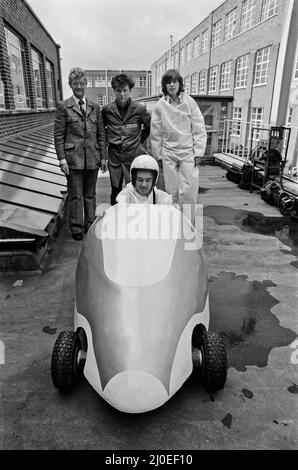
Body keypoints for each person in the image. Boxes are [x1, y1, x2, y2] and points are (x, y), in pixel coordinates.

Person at [54, 67, 107, 240]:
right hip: (73, 159)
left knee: (90, 194)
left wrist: (104, 157)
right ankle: (76, 228)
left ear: (86, 84)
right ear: (70, 85)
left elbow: (101, 133)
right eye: (75, 83)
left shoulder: (95, 107)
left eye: (81, 83)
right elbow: (59, 135)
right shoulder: (63, 106)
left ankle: (90, 224)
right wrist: (62, 159)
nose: (79, 86)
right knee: (76, 195)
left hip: (92, 157)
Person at [150, 69, 207, 205]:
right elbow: (155, 133)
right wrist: (157, 156)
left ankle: (187, 223)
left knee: (189, 190)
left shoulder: (189, 102)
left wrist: (199, 153)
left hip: (188, 152)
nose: (171, 85)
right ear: (164, 85)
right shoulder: (160, 106)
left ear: (179, 83)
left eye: (174, 81)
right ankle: (173, 221)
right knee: (171, 191)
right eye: (168, 82)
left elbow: (199, 128)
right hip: (169, 153)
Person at [102, 74, 151, 205]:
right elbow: (102, 133)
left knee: (134, 190)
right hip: (114, 158)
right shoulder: (107, 111)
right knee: (116, 190)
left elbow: (149, 127)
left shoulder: (140, 109)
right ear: (114, 91)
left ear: (130, 90)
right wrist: (104, 155)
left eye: (125, 90)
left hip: (133, 156)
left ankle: (134, 220)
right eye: (118, 91)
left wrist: (139, 142)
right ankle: (116, 219)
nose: (122, 94)